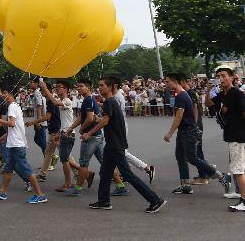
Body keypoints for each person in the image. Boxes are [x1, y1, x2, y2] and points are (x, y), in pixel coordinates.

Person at [84, 75, 166, 212]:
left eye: (102, 85)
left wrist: (89, 133)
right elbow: (106, 120)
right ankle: (104, 201)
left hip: (115, 145)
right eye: (99, 85)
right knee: (105, 173)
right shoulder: (110, 102)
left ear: (110, 87)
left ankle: (155, 200)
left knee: (127, 174)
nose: (99, 87)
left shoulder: (110, 101)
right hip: (112, 144)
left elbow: (105, 121)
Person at [163, 72, 229, 195]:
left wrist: (170, 133)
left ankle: (221, 176)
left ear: (175, 82)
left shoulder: (181, 96)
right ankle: (185, 185)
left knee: (192, 158)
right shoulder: (182, 95)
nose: (165, 84)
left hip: (188, 131)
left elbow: (178, 117)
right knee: (180, 157)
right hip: (186, 131)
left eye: (167, 82)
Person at [0, 87, 47, 203]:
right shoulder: (15, 106)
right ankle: (3, 192)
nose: (1, 95)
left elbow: (12, 123)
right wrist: (6, 136)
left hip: (17, 144)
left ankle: (40, 195)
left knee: (26, 170)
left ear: (9, 93)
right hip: (14, 142)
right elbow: (17, 125)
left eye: (3, 92)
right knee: (8, 168)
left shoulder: (12, 106)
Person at [213, 67, 245, 211]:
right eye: (219, 76)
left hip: (238, 136)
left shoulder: (237, 94)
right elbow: (209, 103)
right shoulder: (223, 94)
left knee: (238, 170)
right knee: (239, 168)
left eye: (224, 75)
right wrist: (209, 88)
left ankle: (244, 201)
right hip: (233, 135)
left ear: (231, 77)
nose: (221, 78)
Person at [65, 80, 103, 197]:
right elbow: (82, 116)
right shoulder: (86, 100)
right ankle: (120, 185)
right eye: (78, 87)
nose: (78, 88)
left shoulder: (88, 99)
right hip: (96, 135)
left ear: (88, 87)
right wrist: (71, 127)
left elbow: (90, 118)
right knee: (105, 162)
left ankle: (78, 188)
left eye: (81, 86)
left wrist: (82, 129)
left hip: (91, 136)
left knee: (83, 163)